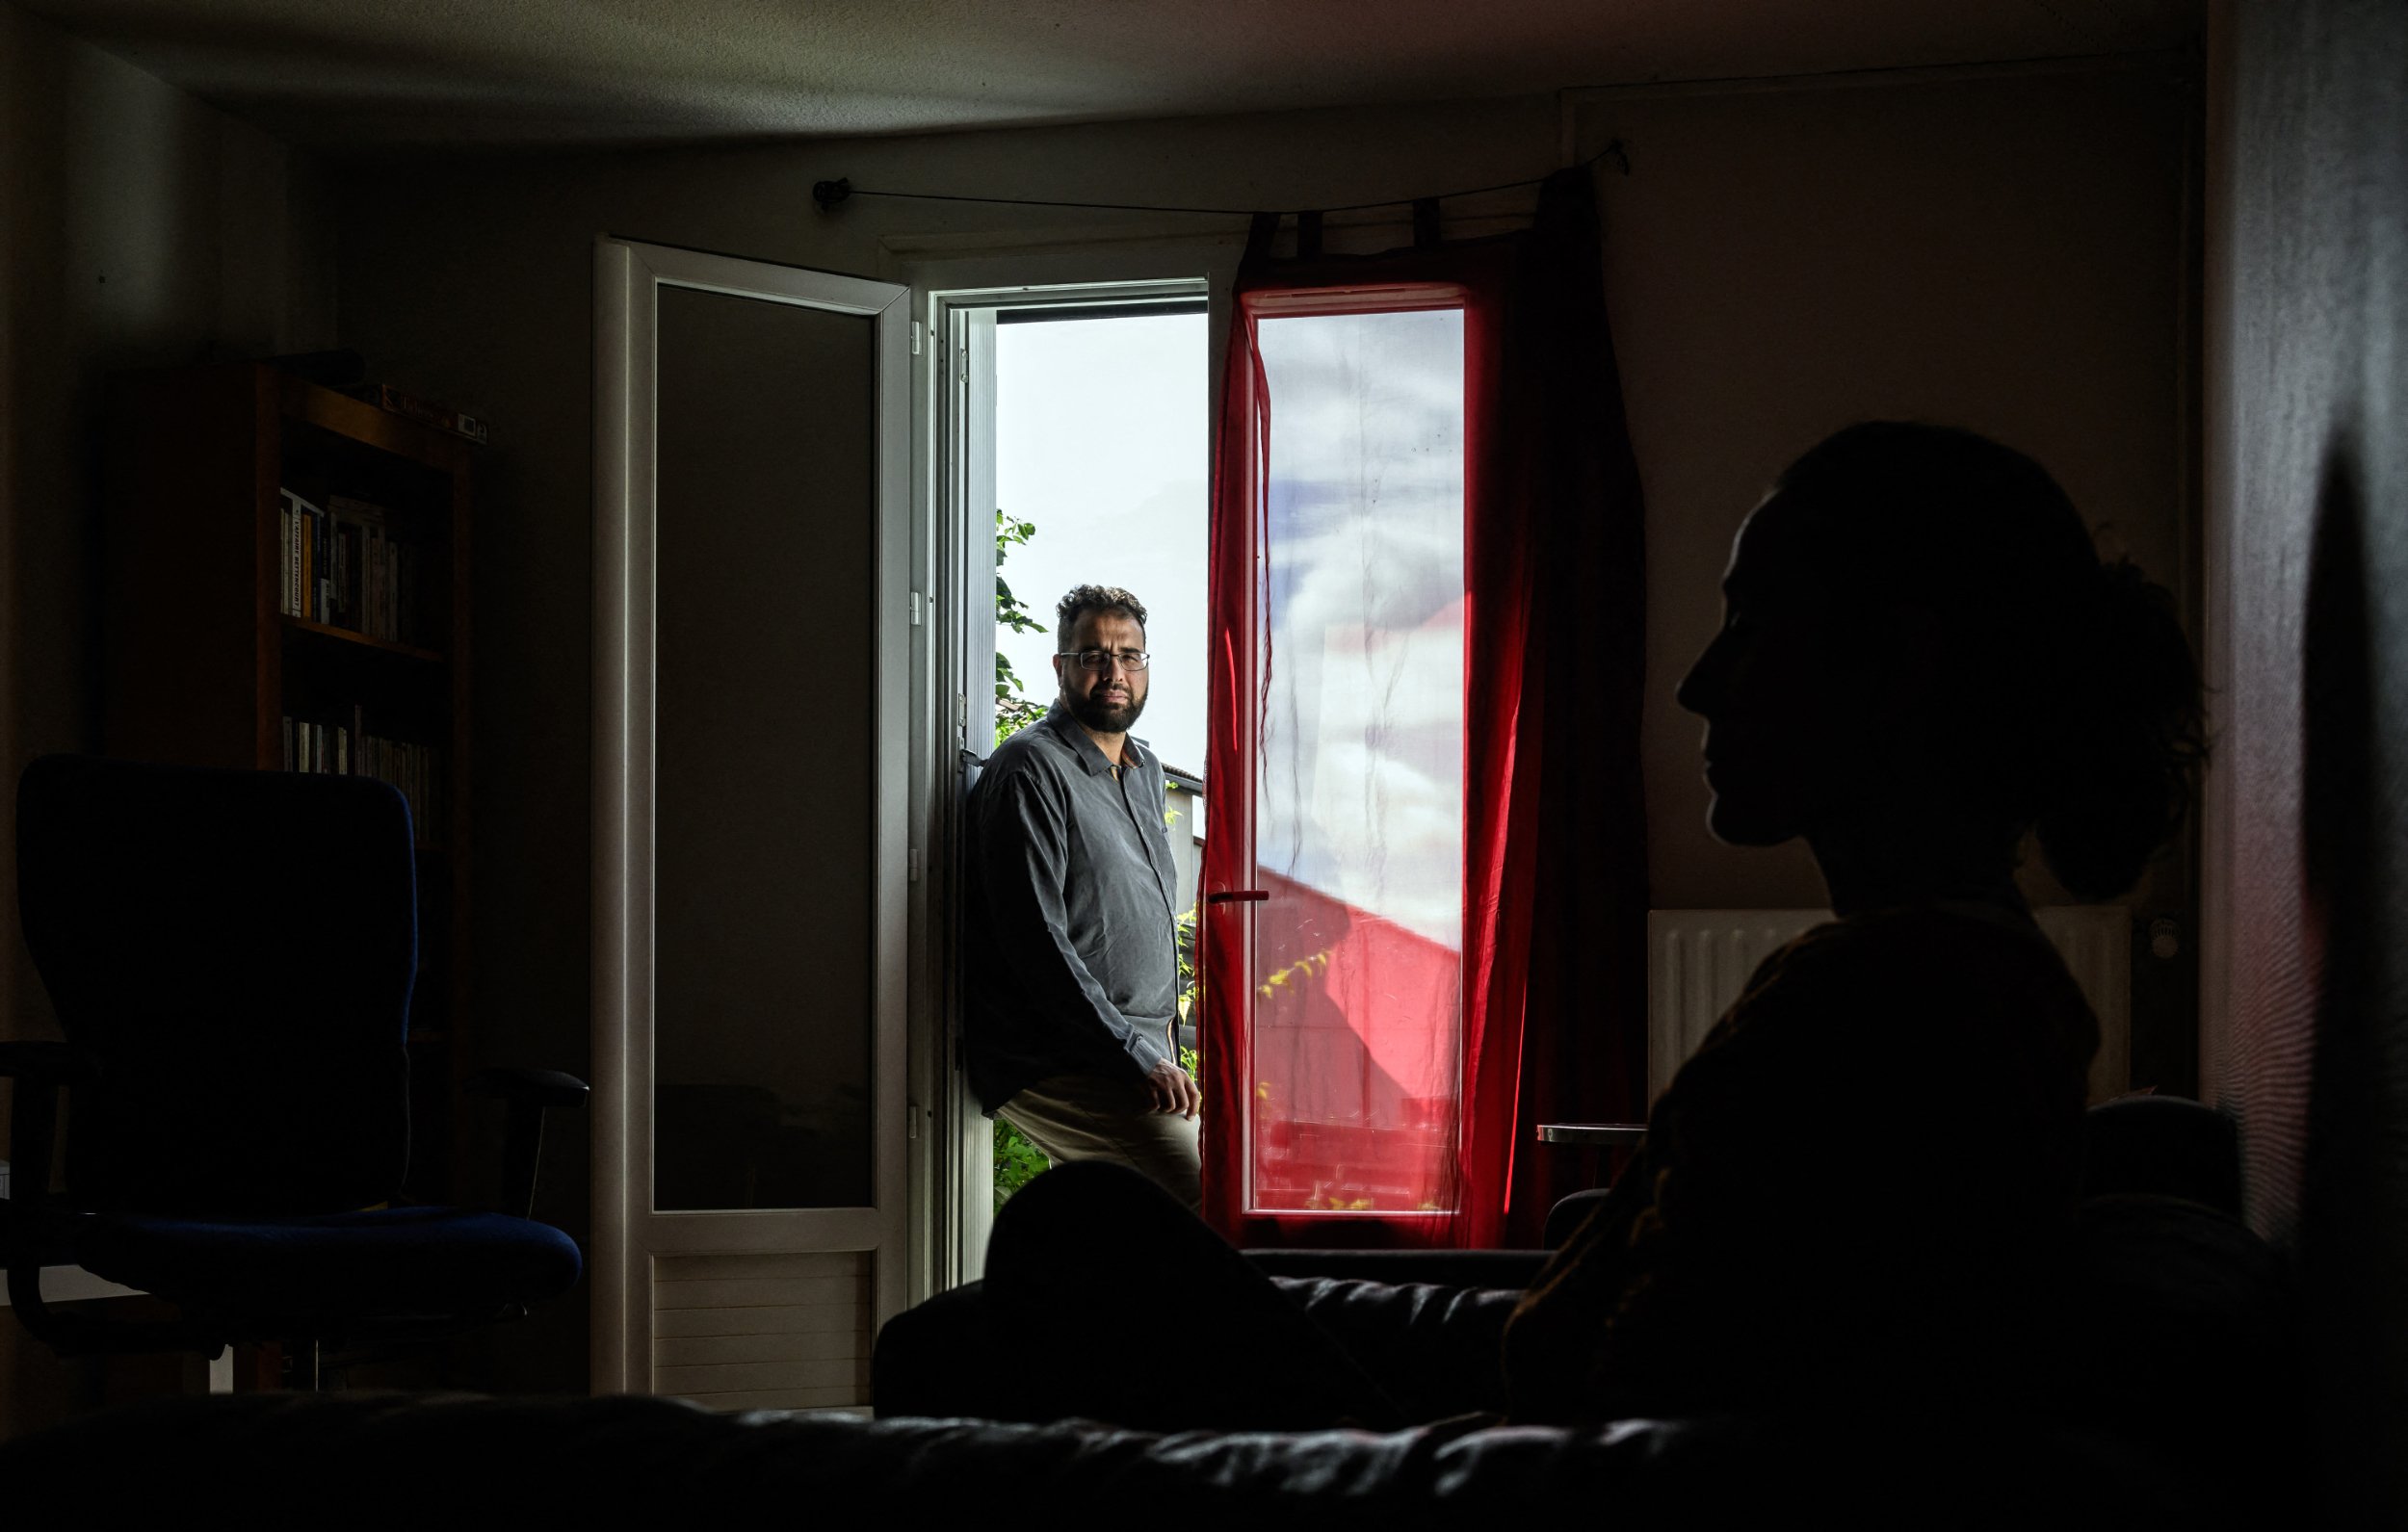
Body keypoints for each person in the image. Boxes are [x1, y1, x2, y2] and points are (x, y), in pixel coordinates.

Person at [903, 422, 2204, 1432]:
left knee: (1055, 1255)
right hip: (1503, 1395)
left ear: (1898, 664)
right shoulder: (1945, 978)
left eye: (1752, 624)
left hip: (1494, 1446)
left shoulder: (1888, 1010)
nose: (1697, 681)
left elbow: (1632, 1400)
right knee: (1051, 1260)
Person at [963, 583, 1203, 1210]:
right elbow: (1035, 941)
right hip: (1062, 1057)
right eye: (1094, 654)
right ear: (1061, 666)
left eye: (1129, 656)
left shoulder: (1146, 771)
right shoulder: (1028, 769)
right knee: (1209, 1194)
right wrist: (1131, 1054)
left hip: (1142, 1052)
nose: (1113, 671)